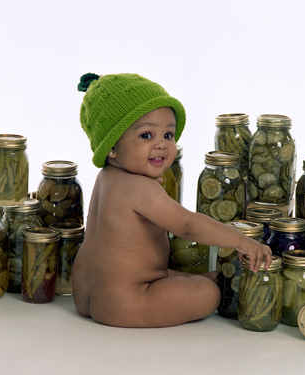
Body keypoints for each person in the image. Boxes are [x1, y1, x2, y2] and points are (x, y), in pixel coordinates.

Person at [72, 73, 272, 328]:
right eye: (146, 135)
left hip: (87, 295)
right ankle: (201, 284)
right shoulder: (141, 188)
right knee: (208, 294)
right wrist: (242, 242)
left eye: (168, 135)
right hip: (127, 301)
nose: (162, 145)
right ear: (111, 147)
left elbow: (127, 257)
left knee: (179, 277)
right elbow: (187, 225)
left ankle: (195, 279)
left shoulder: (106, 179)